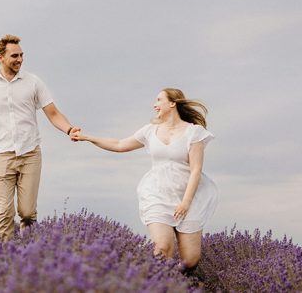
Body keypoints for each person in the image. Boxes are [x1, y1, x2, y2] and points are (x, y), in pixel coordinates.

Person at [72, 88, 218, 270]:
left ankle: (179, 281)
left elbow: (196, 170)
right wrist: (87, 137)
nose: (154, 104)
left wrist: (186, 203)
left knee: (190, 261)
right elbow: (119, 145)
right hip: (157, 195)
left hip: (189, 199)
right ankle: (158, 284)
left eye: (158, 100)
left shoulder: (194, 132)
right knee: (162, 249)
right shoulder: (150, 131)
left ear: (172, 103)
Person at [0, 34, 80, 241]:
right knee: (4, 214)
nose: (19, 59)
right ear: (0, 57)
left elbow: (53, 113)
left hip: (30, 155)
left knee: (27, 213)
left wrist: (69, 129)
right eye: (14, 55)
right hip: (0, 156)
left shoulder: (33, 82)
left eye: (21, 55)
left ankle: (28, 258)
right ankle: (7, 264)